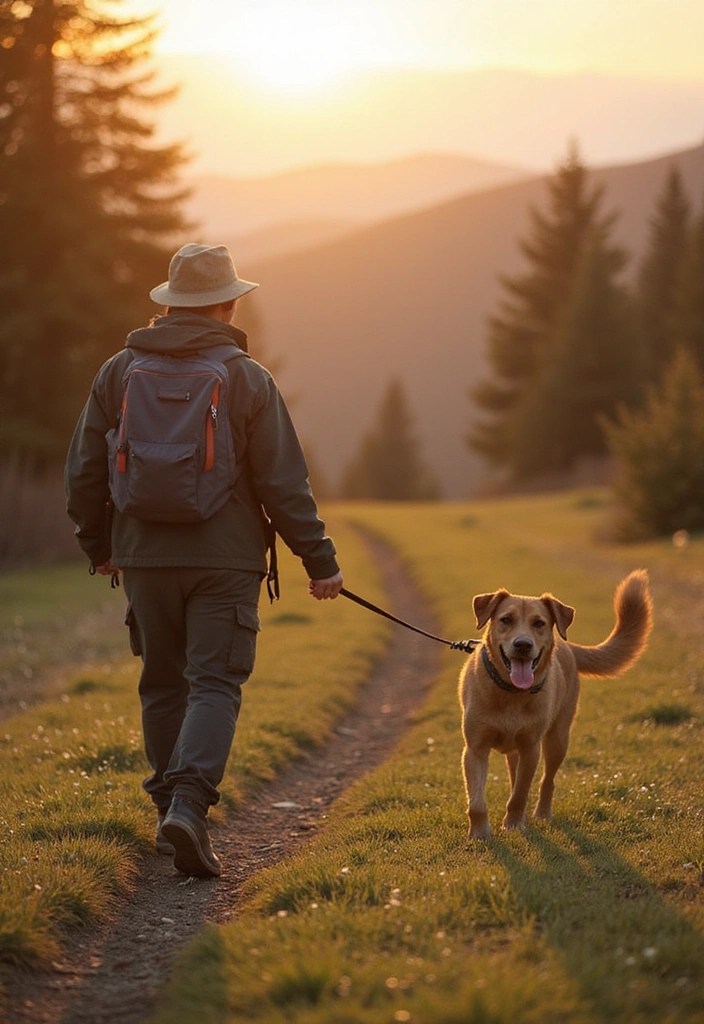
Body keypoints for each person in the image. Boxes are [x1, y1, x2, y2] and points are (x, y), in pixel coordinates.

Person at [65, 243, 343, 879]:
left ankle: (170, 808)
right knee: (214, 682)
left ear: (170, 302)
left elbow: (83, 469)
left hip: (143, 557)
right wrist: (319, 563)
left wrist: (100, 547)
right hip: (226, 560)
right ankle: (188, 808)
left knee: (162, 683)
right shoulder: (247, 377)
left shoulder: (117, 372)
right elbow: (284, 483)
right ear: (229, 302)